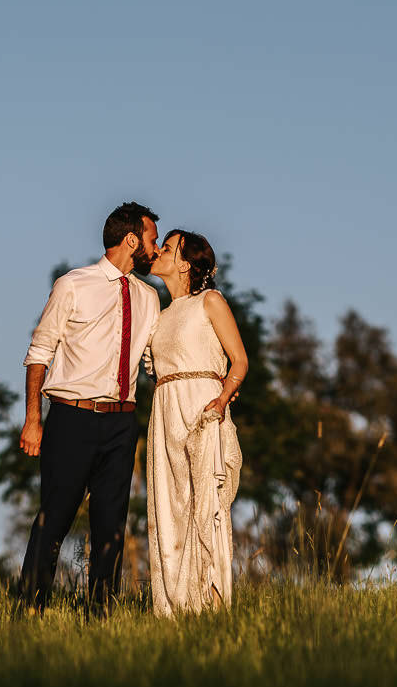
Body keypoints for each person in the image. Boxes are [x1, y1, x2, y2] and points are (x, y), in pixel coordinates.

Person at [16, 202, 161, 615]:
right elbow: (39, 352)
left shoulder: (149, 297)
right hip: (71, 418)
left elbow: (153, 361)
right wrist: (33, 421)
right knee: (54, 518)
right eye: (151, 240)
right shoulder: (73, 284)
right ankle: (29, 610)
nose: (154, 250)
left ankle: (100, 615)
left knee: (111, 526)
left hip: (122, 424)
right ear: (131, 240)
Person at [146, 229, 247, 615]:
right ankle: (171, 610)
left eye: (167, 249)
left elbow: (239, 360)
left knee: (206, 504)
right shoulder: (160, 314)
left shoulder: (210, 301)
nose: (158, 253)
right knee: (168, 508)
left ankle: (211, 604)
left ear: (185, 263)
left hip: (202, 406)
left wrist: (222, 398)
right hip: (166, 409)